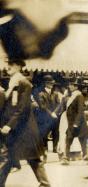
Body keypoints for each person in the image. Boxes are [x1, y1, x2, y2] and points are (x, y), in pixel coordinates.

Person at [0, 59, 50, 187]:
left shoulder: (24, 83)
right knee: (9, 157)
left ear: (18, 66)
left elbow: (22, 108)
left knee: (32, 158)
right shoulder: (13, 82)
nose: (8, 67)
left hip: (24, 128)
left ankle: (45, 184)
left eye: (11, 64)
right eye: (8, 64)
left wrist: (8, 125)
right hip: (17, 129)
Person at [61, 78, 88, 165]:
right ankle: (66, 158)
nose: (69, 86)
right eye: (69, 85)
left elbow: (80, 111)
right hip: (71, 122)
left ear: (75, 86)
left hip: (78, 123)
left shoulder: (79, 96)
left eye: (71, 85)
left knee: (82, 140)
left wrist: (76, 123)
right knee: (68, 139)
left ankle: (86, 157)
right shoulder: (72, 96)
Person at [36, 75, 61, 156]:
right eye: (50, 83)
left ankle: (55, 148)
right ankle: (44, 149)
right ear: (45, 84)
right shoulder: (41, 94)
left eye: (52, 83)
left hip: (54, 117)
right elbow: (43, 106)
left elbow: (59, 104)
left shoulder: (55, 93)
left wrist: (55, 113)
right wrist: (51, 114)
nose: (51, 85)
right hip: (45, 117)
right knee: (44, 133)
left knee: (56, 133)